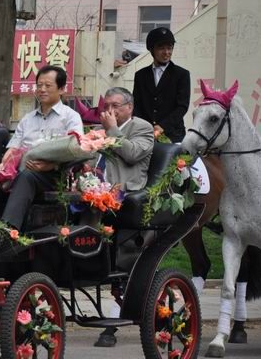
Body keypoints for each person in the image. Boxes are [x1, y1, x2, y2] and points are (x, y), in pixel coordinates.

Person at [0, 65, 83, 231]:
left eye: (48, 86)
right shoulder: (27, 119)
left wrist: (51, 165)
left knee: (27, 177)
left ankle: (8, 229)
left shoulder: (70, 117)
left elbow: (77, 150)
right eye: (39, 85)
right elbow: (13, 147)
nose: (42, 90)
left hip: (51, 175)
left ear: (61, 89)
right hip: (19, 169)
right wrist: (5, 163)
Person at [93, 87, 154, 348]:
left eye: (115, 106)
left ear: (129, 106)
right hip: (97, 191)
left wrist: (112, 131)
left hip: (127, 193)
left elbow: (132, 153)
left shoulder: (142, 127)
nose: (110, 111)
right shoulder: (103, 126)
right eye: (107, 105)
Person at [133, 27, 191, 142]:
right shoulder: (140, 75)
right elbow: (136, 105)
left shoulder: (181, 74)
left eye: (169, 48)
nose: (166, 52)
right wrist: (146, 127)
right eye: (161, 48)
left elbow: (182, 107)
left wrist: (162, 126)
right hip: (146, 135)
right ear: (151, 50)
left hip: (173, 134)